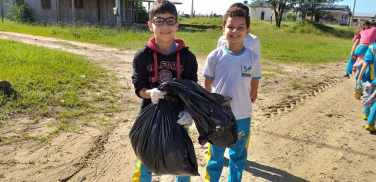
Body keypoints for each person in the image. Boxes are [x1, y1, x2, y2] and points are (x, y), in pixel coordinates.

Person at [131, 0, 198, 181]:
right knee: (144, 158)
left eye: (170, 21)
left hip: (179, 116)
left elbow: (192, 88)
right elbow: (139, 87)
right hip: (149, 116)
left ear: (177, 25)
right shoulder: (142, 56)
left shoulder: (188, 58)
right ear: (150, 25)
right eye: (159, 21)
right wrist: (150, 93)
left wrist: (188, 111)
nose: (164, 26)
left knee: (181, 160)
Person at [202, 3, 262, 182]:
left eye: (240, 27)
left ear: (248, 30)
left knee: (237, 156)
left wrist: (250, 96)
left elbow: (254, 82)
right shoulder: (214, 56)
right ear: (223, 29)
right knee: (216, 156)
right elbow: (207, 86)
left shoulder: (253, 57)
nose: (235, 31)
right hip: (219, 116)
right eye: (230, 27)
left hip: (242, 117)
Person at [357, 43, 376, 133]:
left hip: (373, 79)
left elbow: (366, 63)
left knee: (369, 94)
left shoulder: (372, 47)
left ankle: (366, 113)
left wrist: (360, 77)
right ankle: (370, 122)